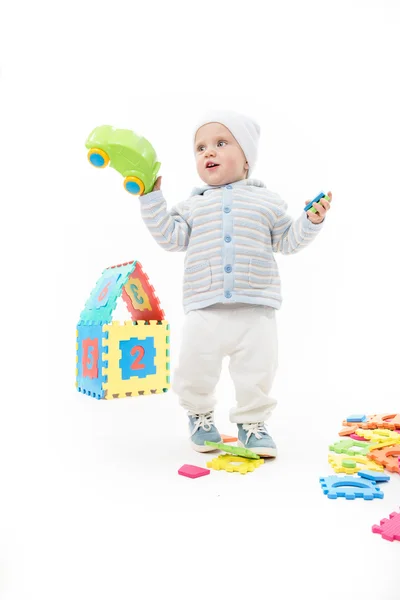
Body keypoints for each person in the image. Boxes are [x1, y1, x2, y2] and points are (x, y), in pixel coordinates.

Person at [138, 110, 332, 457]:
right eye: (200, 148)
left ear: (246, 159)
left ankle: (252, 424)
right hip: (204, 307)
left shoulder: (268, 201)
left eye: (220, 143)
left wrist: (310, 221)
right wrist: (152, 199)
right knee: (194, 368)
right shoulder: (193, 205)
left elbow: (287, 241)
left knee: (258, 372)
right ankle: (199, 416)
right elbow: (170, 238)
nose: (208, 152)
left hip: (256, 307)